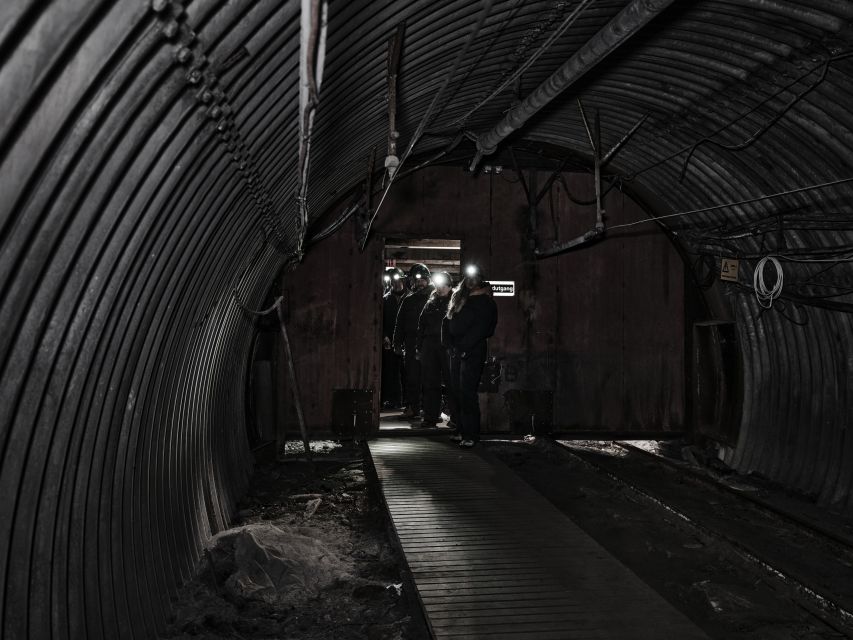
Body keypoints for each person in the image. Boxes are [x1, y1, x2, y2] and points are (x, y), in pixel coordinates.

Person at [445, 264, 497, 447]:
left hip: (472, 351)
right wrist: (451, 344)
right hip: (458, 350)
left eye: (474, 277)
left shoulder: (485, 301)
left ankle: (471, 435)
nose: (470, 280)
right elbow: (449, 320)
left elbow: (482, 329)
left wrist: (465, 347)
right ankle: (460, 430)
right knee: (457, 391)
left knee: (467, 392)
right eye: (468, 277)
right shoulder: (461, 298)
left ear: (480, 279)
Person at [393, 263, 433, 420]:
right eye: (415, 281)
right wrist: (397, 343)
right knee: (412, 377)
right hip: (411, 342)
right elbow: (399, 323)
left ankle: (430, 409)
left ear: (428, 279)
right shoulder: (408, 300)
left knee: (430, 378)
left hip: (429, 343)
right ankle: (413, 407)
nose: (418, 283)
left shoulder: (435, 298)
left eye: (421, 280)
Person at [416, 271, 456, 428]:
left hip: (447, 346)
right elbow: (421, 324)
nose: (439, 288)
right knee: (430, 381)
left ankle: (456, 417)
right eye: (438, 285)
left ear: (449, 286)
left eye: (443, 286)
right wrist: (419, 347)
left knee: (451, 382)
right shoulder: (431, 302)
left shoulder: (456, 301)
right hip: (430, 345)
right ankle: (431, 416)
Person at [381, 267, 407, 408]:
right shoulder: (385, 300)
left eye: (398, 281)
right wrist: (385, 336)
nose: (396, 284)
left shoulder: (411, 298)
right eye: (393, 281)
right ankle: (392, 400)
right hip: (390, 341)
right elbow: (381, 321)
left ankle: (407, 401)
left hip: (406, 341)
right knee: (390, 371)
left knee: (407, 372)